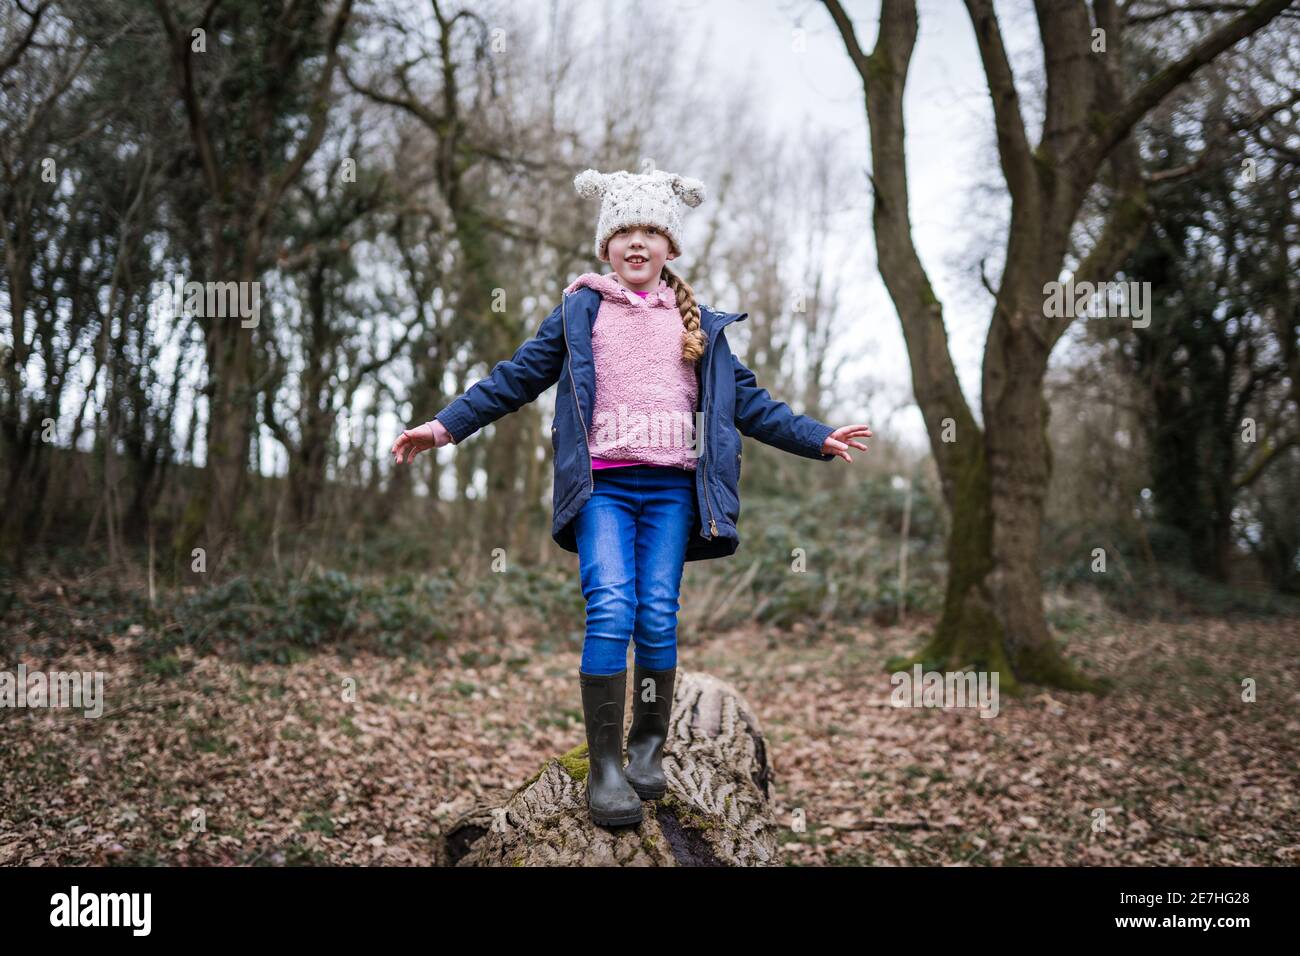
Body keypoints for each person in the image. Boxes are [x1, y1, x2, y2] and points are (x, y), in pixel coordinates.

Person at [391, 166, 872, 828]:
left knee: (656, 616)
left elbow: (749, 405)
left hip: (673, 491)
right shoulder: (580, 310)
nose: (637, 241)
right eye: (624, 231)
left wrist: (818, 437)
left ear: (671, 247)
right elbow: (515, 378)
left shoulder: (700, 324)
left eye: (651, 230)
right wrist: (444, 425)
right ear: (606, 246)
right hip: (603, 489)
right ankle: (607, 767)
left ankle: (647, 747)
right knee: (611, 607)